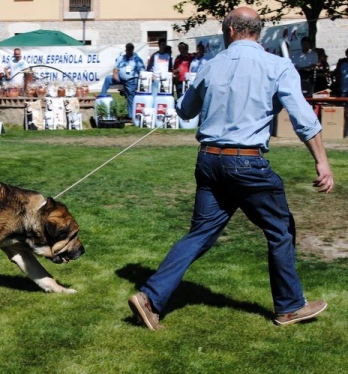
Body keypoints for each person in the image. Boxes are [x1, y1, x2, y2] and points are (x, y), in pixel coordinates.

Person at [128, 7, 334, 331]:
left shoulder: (210, 65)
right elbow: (305, 121)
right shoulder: (278, 66)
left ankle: (150, 298)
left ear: (230, 30)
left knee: (200, 234)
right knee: (281, 230)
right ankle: (290, 307)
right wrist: (322, 161)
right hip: (247, 163)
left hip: (209, 161)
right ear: (258, 32)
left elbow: (184, 111)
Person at [99, 43, 145, 119]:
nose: (128, 51)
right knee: (108, 78)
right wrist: (115, 74)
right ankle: (101, 96)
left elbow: (142, 71)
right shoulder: (122, 58)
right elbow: (116, 68)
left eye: (129, 49)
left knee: (130, 96)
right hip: (119, 78)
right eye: (127, 49)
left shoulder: (137, 60)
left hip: (131, 80)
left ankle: (131, 115)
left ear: (132, 50)